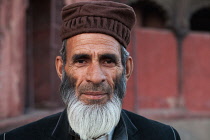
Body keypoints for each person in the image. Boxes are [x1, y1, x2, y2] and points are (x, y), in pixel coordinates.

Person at [0, 1, 180, 140]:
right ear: (61, 68)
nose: (95, 77)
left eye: (108, 61)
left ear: (127, 69)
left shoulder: (164, 136)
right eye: (81, 61)